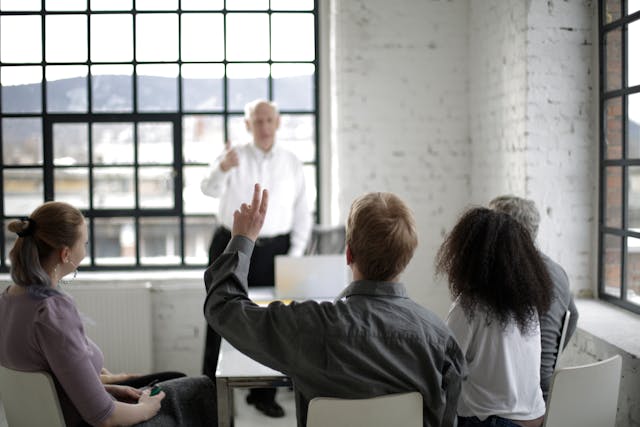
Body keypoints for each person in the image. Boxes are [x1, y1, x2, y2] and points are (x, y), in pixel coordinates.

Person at [203, 184, 466, 427]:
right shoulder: (441, 342)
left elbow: (223, 308)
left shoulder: (308, 325)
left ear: (348, 253)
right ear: (406, 258)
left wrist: (242, 239)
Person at [0, 201, 217, 427]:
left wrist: (107, 389)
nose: (85, 250)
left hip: (56, 416)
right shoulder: (52, 311)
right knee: (199, 391)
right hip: (86, 422)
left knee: (174, 379)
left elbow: (51, 384)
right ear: (65, 254)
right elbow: (105, 417)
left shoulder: (7, 300)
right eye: (83, 243)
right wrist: (146, 409)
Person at [200, 99, 312, 417]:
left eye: (268, 120)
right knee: (218, 314)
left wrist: (293, 255)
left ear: (277, 123)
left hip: (275, 248)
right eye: (257, 121)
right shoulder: (232, 156)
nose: (263, 127)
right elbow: (208, 189)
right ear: (247, 125)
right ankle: (208, 397)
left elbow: (303, 212)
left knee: (271, 320)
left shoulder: (292, 162)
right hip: (230, 243)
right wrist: (221, 167)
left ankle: (262, 395)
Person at [436, 207, 554, 427]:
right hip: (536, 417)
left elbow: (443, 367)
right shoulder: (528, 306)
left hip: (492, 422)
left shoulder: (469, 307)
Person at [489, 195, 579, 401]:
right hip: (549, 392)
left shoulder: (507, 276)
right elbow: (572, 316)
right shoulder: (558, 272)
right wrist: (551, 356)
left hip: (520, 399)